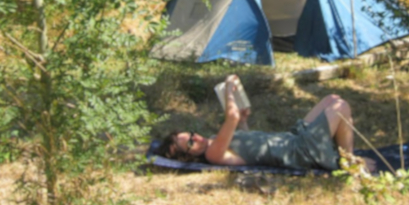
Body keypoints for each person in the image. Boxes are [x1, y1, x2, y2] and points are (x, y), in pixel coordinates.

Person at [156, 74, 375, 172]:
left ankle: (341, 155)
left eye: (192, 134)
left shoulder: (215, 142)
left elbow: (249, 146)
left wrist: (242, 123)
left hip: (293, 139)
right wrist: (229, 86)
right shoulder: (213, 153)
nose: (197, 138)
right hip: (299, 151)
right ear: (189, 155)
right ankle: (350, 163)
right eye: (191, 143)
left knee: (332, 99)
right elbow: (229, 116)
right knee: (341, 107)